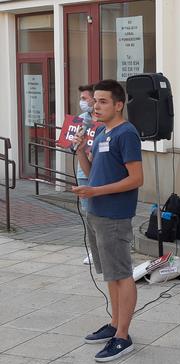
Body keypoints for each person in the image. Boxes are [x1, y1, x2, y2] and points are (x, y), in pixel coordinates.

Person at [72, 79, 143, 362]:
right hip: (96, 211)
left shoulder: (127, 134)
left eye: (102, 102)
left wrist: (95, 191)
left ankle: (123, 337)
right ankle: (114, 324)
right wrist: (79, 151)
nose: (95, 107)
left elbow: (137, 179)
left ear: (118, 104)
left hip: (114, 215)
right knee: (110, 275)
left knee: (121, 274)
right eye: (94, 101)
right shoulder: (101, 131)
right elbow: (92, 171)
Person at [77, 84, 95, 265]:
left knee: (100, 214)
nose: (82, 102)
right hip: (83, 173)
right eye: (81, 98)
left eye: (84, 98)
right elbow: (71, 143)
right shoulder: (81, 119)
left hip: (100, 173)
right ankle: (93, 249)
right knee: (88, 213)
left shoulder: (103, 121)